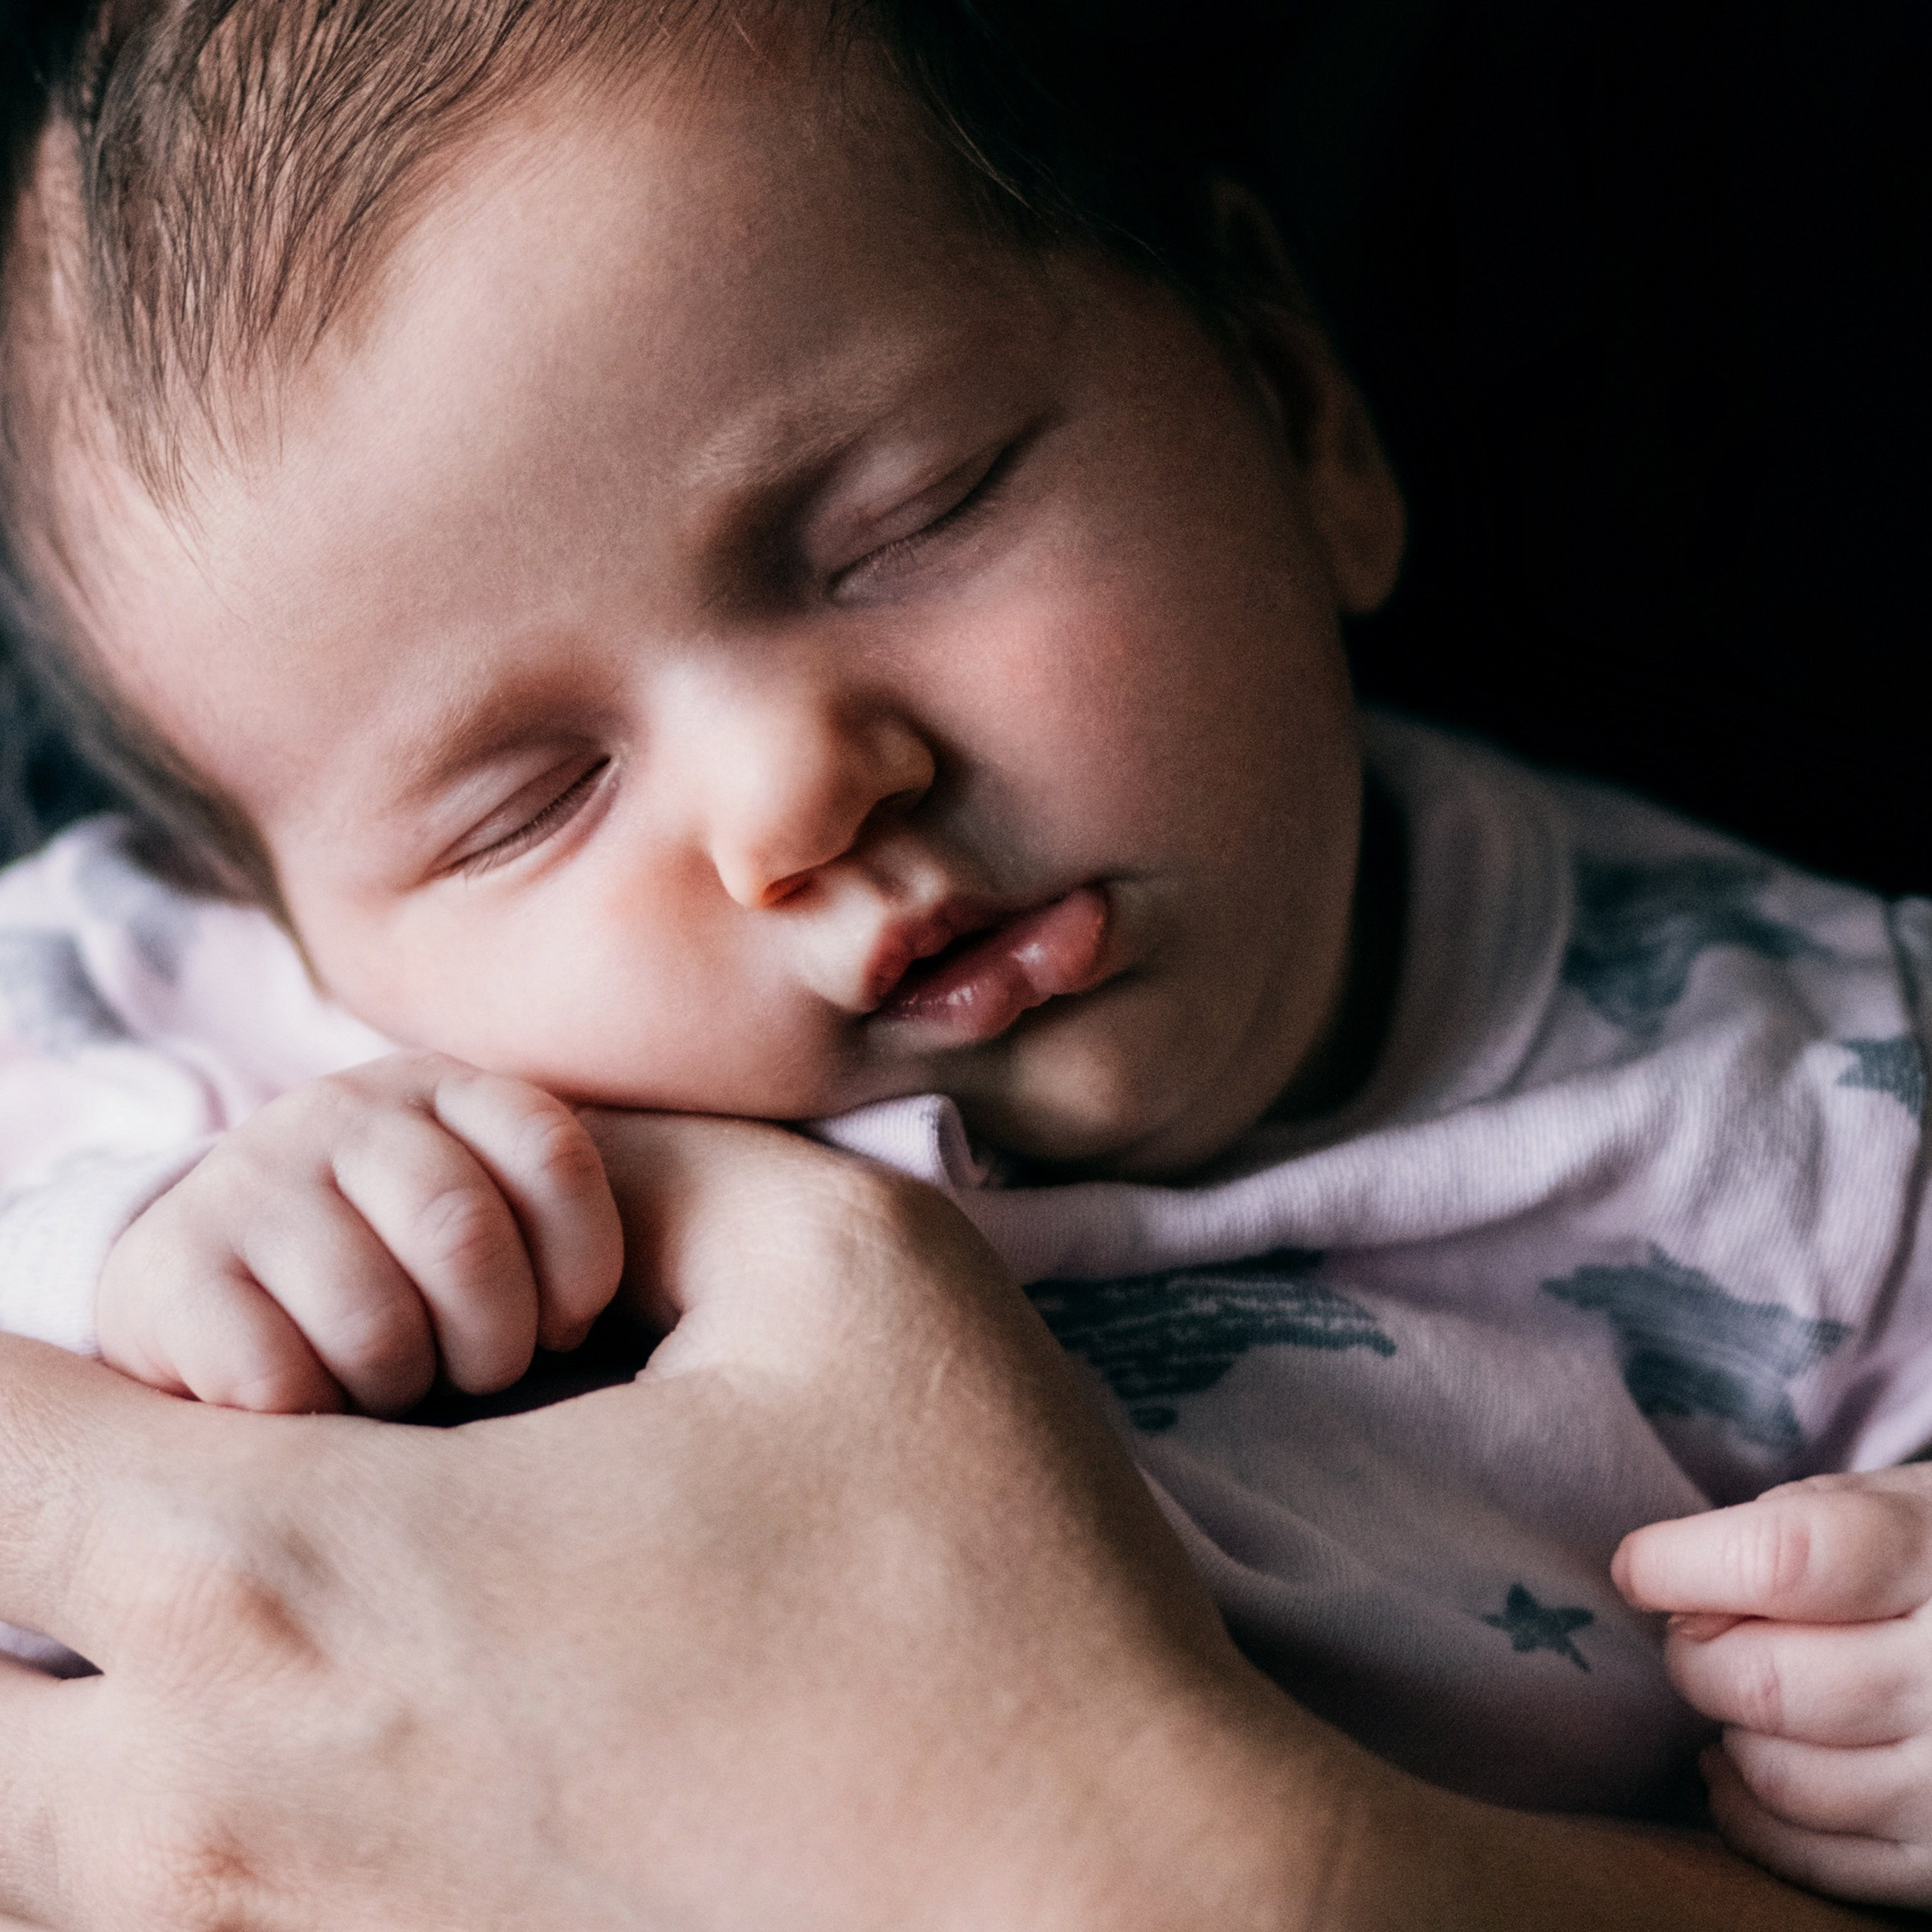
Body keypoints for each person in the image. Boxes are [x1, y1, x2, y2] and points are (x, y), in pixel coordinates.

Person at [0, 0, 1928, 1918]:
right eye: (532, 803)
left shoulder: (1831, 1104)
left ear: (1292, 404)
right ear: (275, 913)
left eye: (903, 525)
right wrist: (144, 1245)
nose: (798, 798)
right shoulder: (213, 1011)